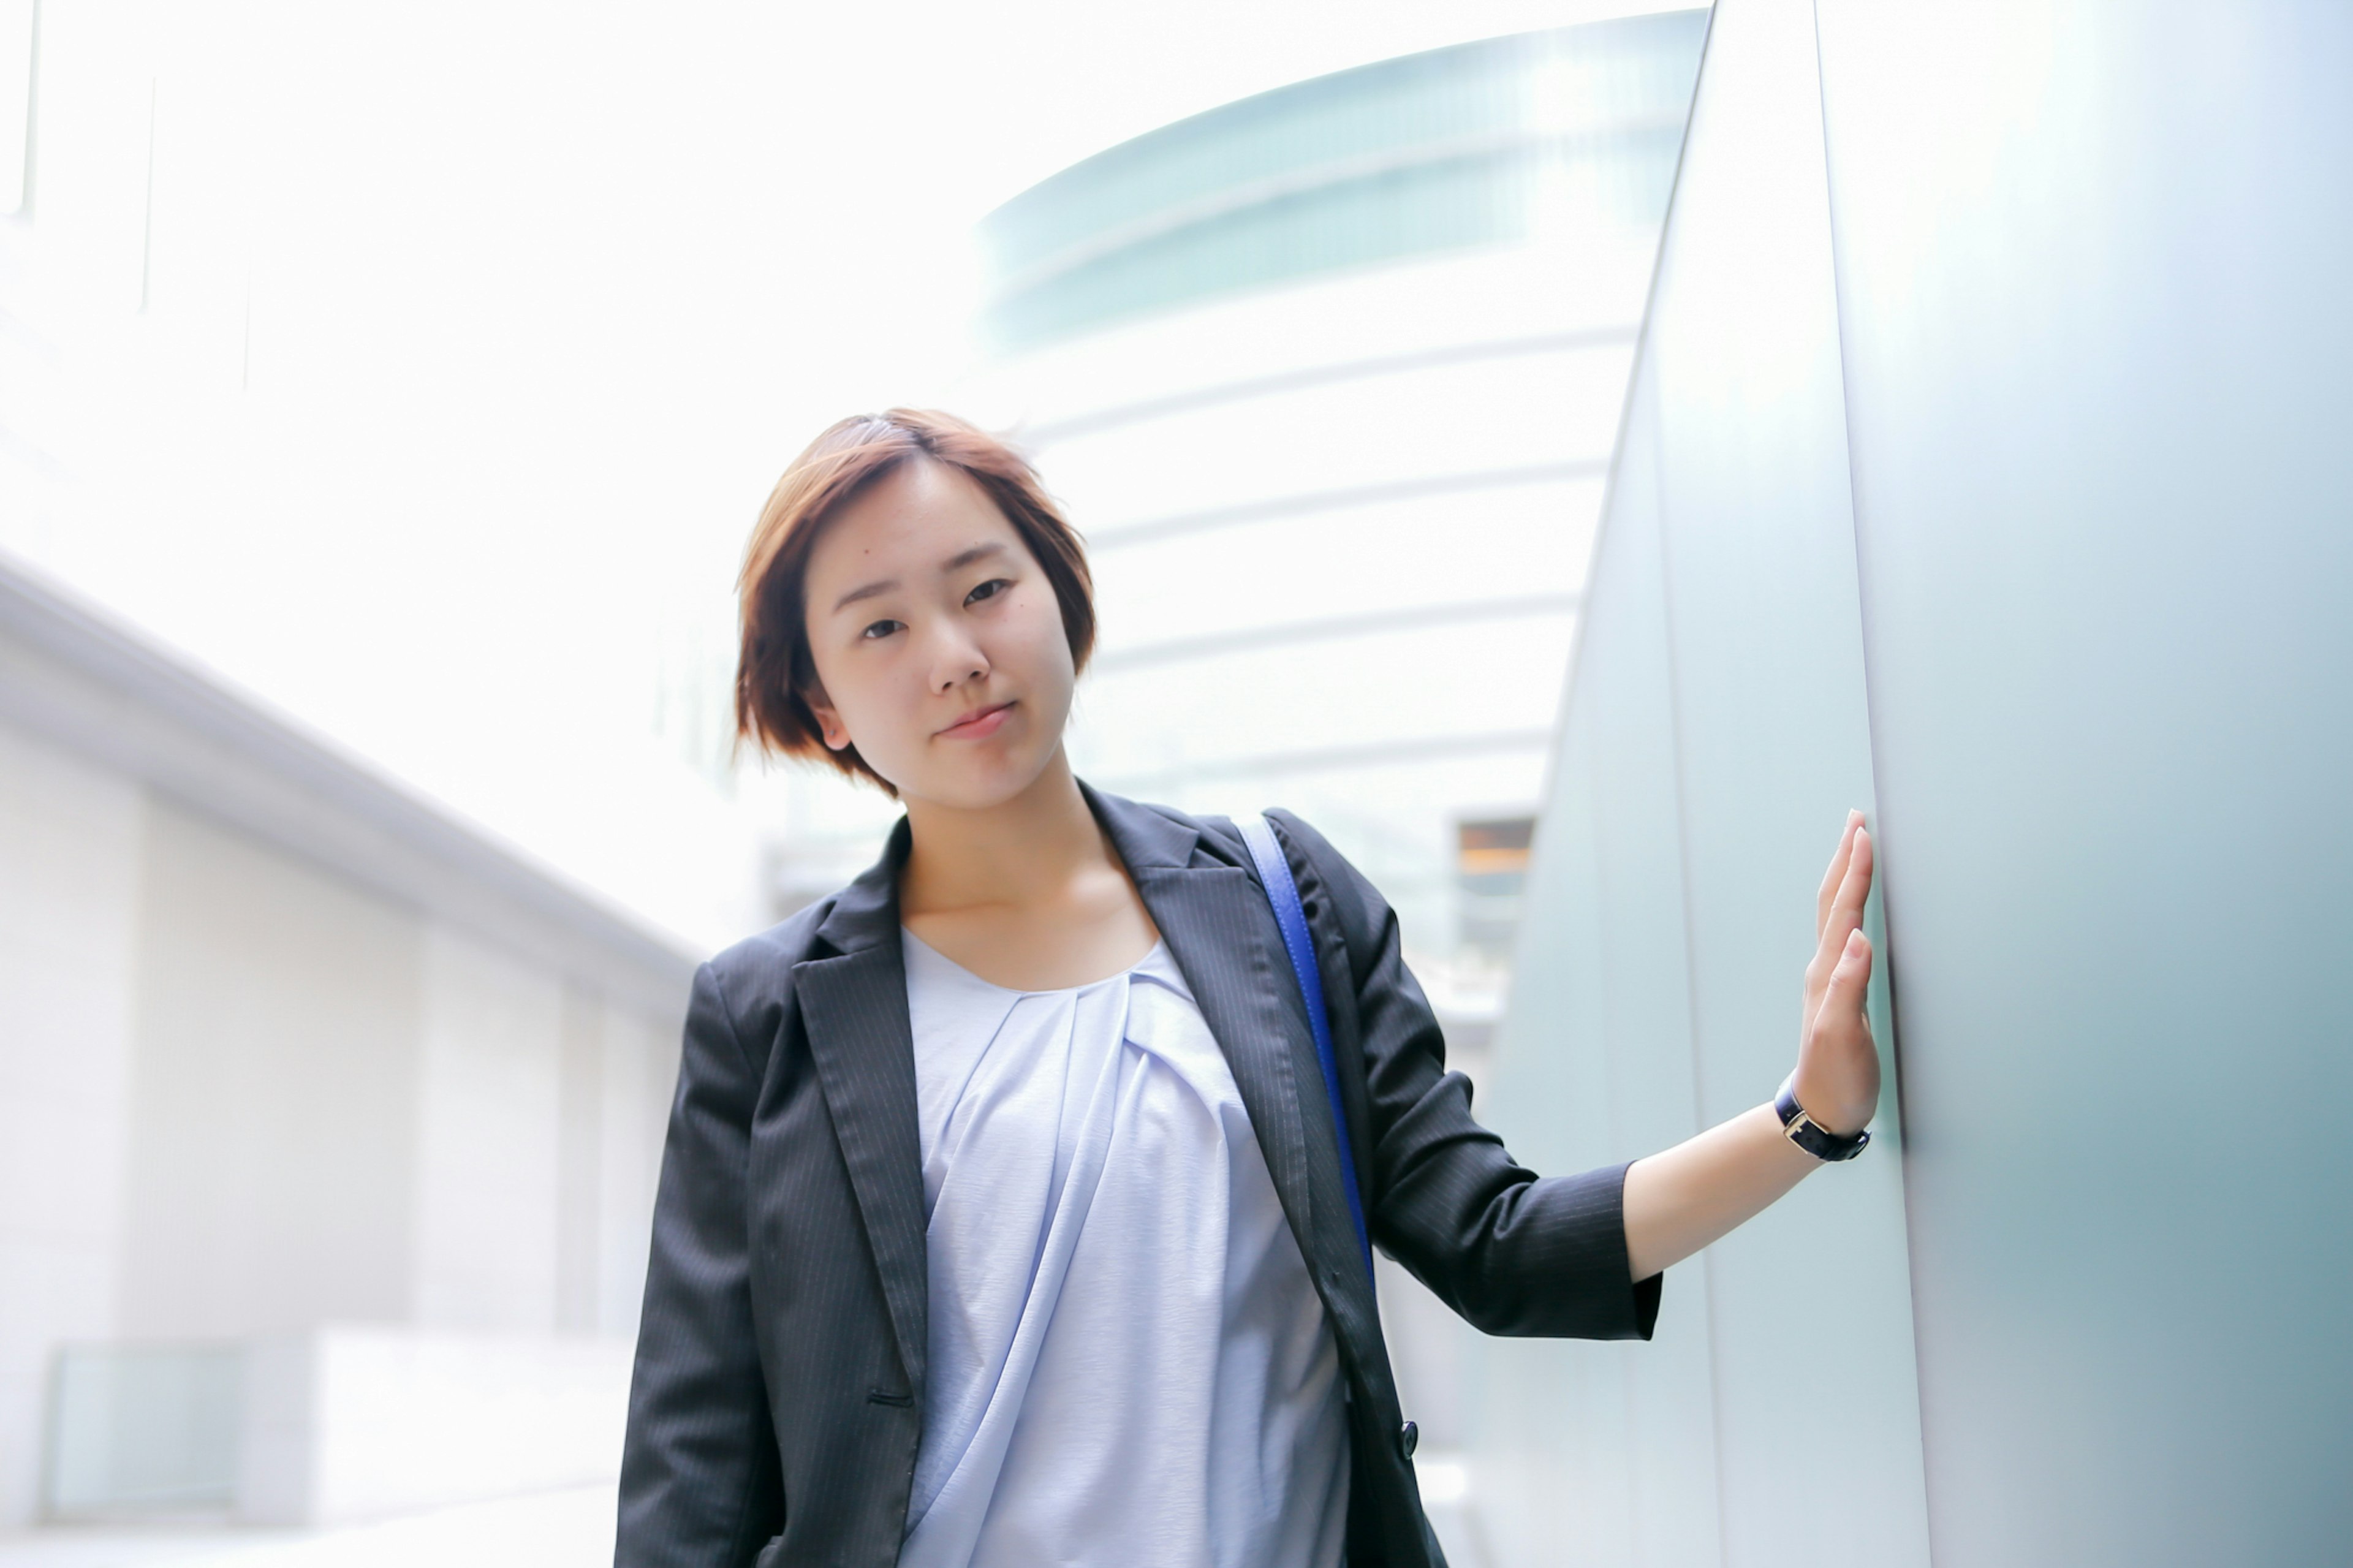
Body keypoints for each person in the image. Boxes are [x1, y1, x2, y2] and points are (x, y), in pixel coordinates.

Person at [614, 409, 1882, 1568]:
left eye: (986, 587)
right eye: (881, 625)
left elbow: (1497, 1242)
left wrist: (1806, 1118)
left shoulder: (1282, 902)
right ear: (824, 703)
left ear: (1058, 594)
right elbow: (696, 1478)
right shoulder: (770, 1012)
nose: (953, 654)